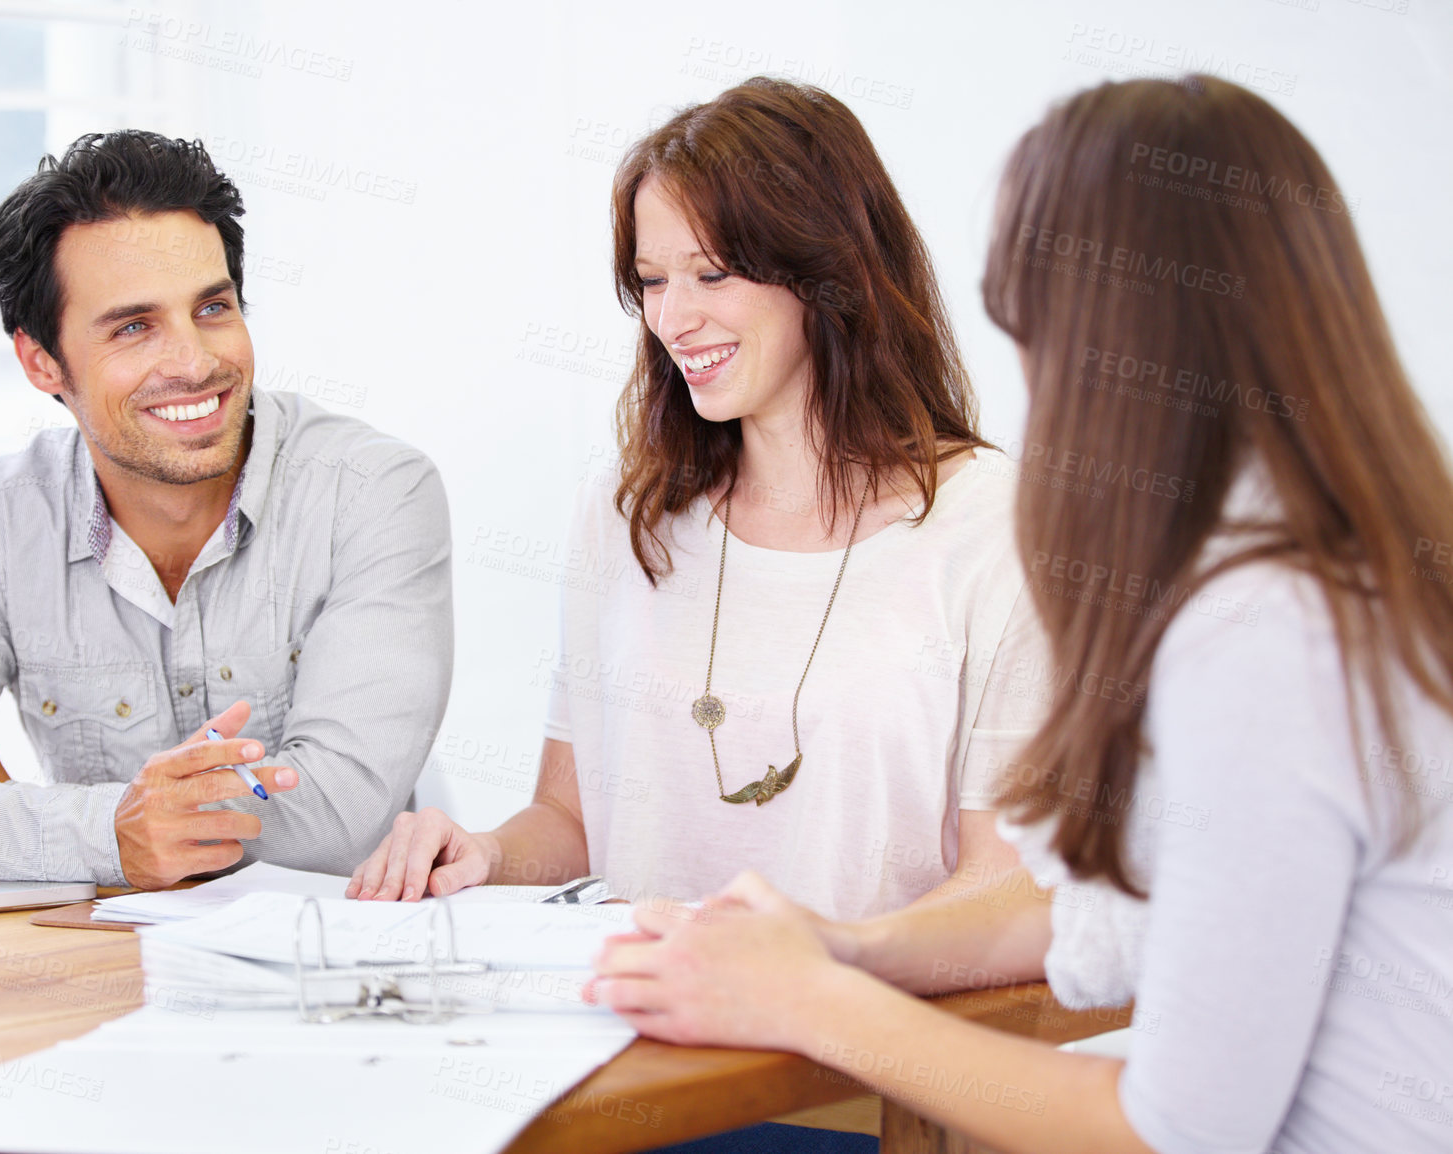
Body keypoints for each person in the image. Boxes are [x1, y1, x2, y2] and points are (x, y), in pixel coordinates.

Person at [591, 74, 1453, 1153]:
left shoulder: (1266, 636)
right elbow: (1115, 918)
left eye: (1033, 326)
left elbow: (1173, 1131)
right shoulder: (1332, 578)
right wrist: (836, 949)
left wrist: (812, 1001)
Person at [350, 77, 1048, 920]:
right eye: (650, 281)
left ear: (829, 274)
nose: (672, 319)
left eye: (711, 275)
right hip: (647, 1027)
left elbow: (1008, 887)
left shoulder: (993, 527)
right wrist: (485, 854)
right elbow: (574, 819)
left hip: (856, 1036)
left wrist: (816, 968)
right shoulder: (625, 511)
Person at [0, 131, 453, 891]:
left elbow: (337, 823)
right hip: (99, 963)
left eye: (213, 308)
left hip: (340, 969)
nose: (195, 362)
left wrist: (10, 809)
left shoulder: (374, 492)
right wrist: (108, 833)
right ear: (41, 361)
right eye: (133, 327)